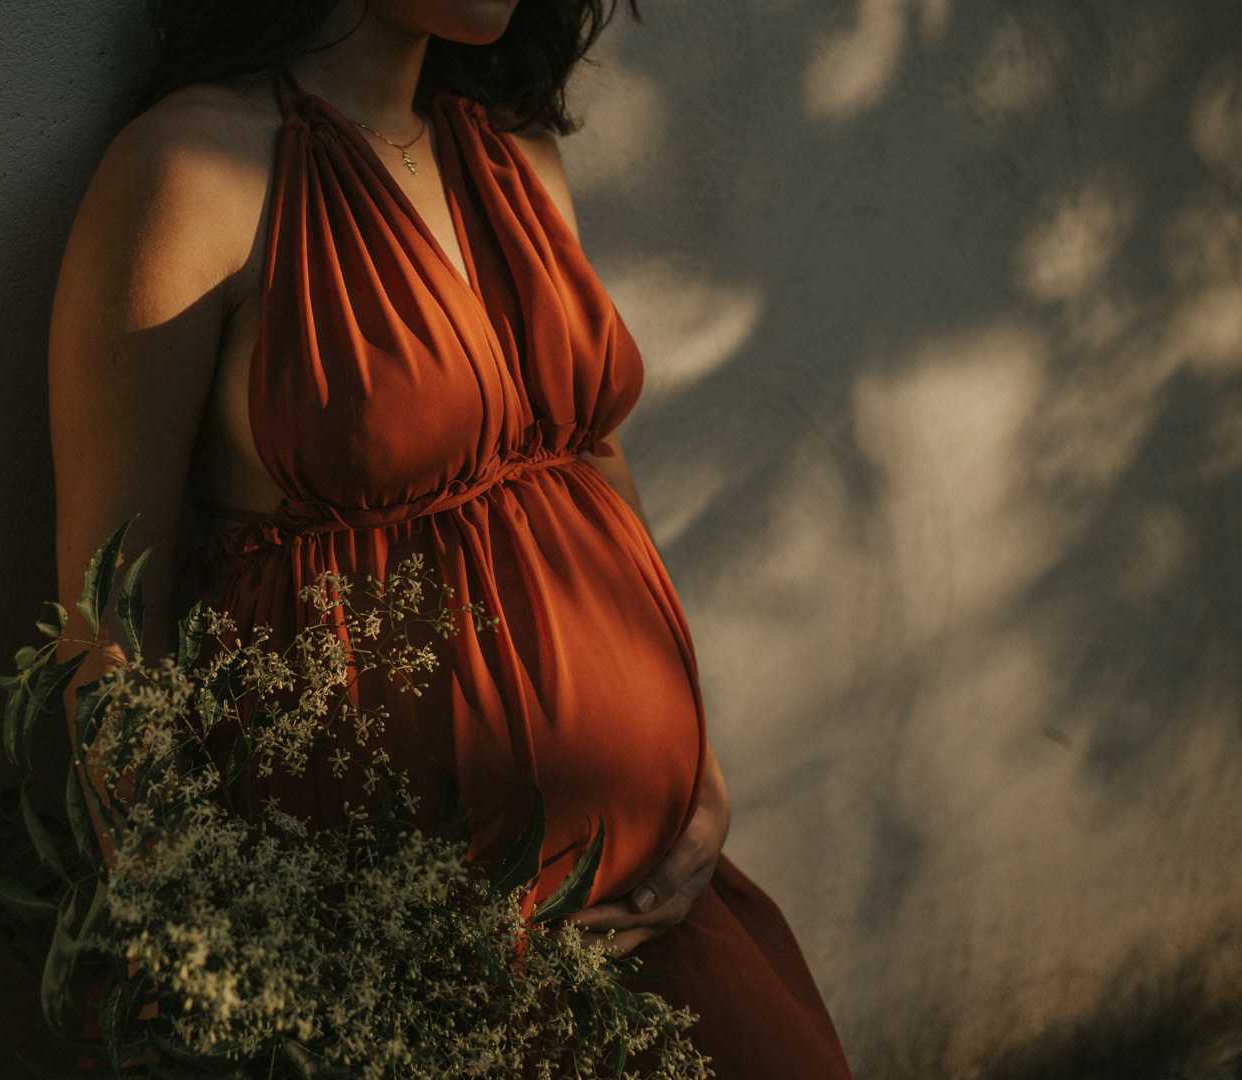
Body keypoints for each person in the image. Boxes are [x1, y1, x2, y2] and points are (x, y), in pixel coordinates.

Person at [47, 1, 855, 1074]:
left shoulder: (515, 151)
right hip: (402, 970)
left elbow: (590, 465)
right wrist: (211, 949)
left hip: (647, 908)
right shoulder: (189, 171)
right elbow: (108, 613)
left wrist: (692, 763)